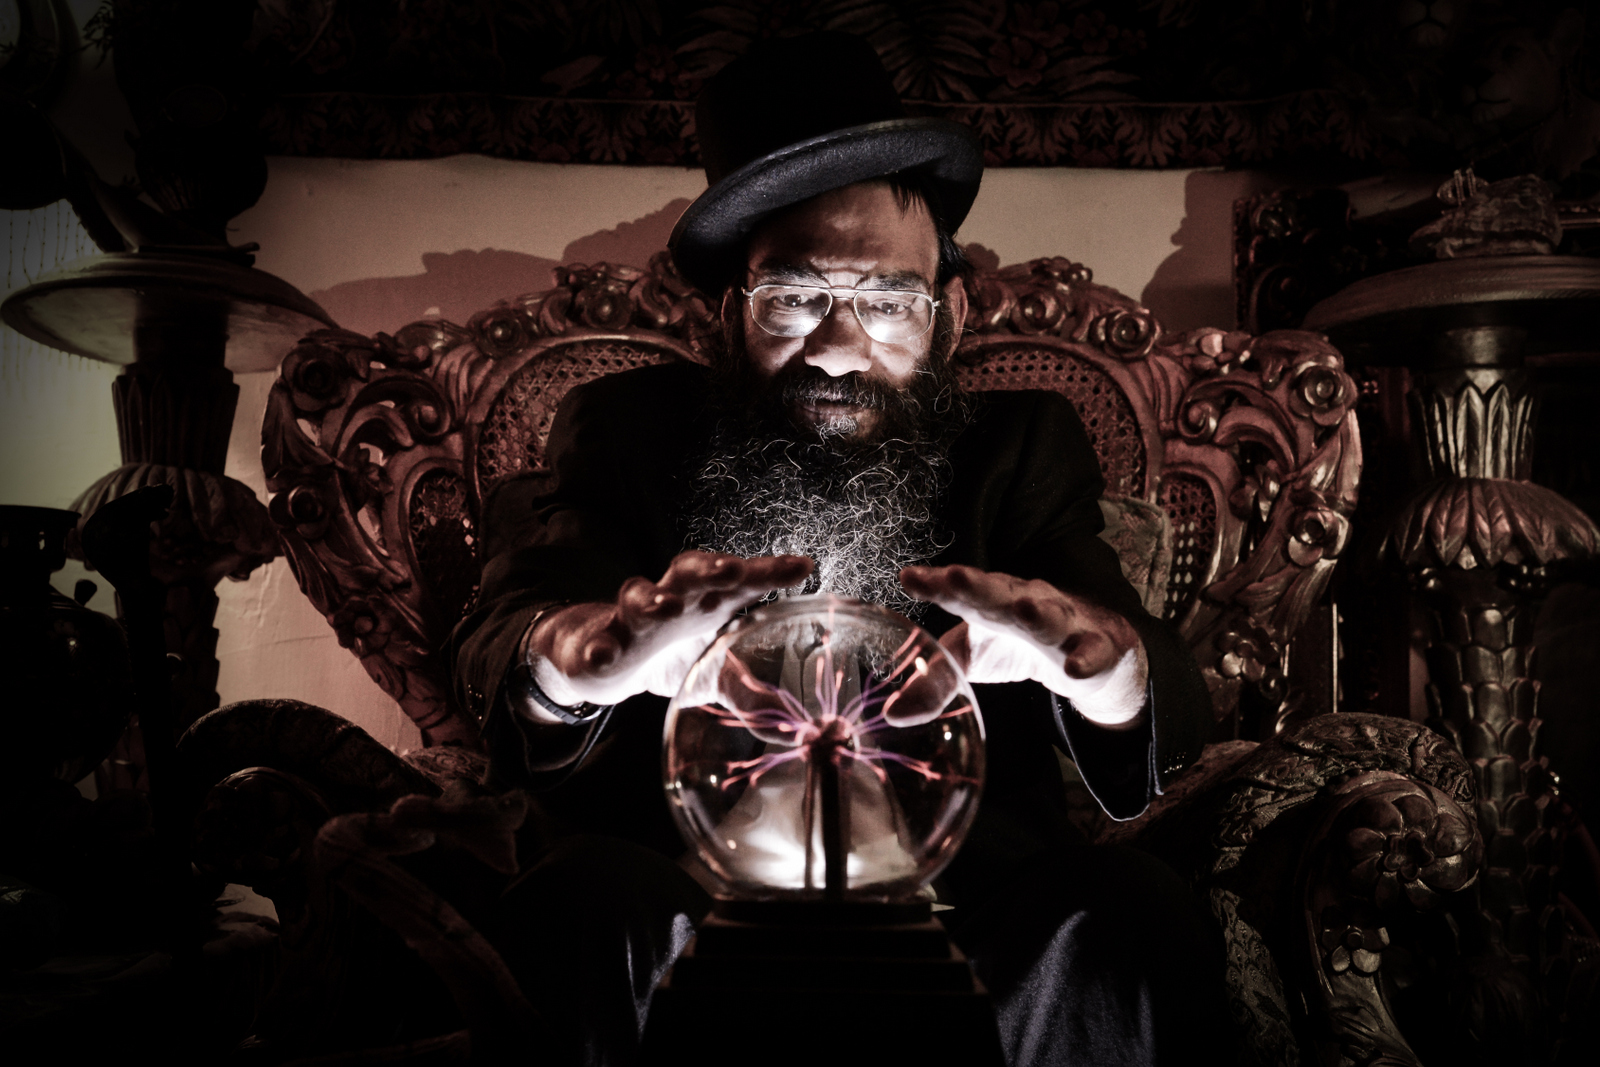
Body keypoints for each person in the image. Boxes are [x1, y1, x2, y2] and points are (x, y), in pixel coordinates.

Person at [451, 31, 1230, 1067]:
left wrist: (1107, 668)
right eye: (793, 298)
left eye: (885, 302)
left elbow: (1151, 688)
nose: (835, 347)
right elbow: (503, 634)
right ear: (730, 312)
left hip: (969, 932)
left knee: (1127, 911)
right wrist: (574, 661)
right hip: (684, 917)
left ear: (948, 313)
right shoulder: (624, 431)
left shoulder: (1020, 447)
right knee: (578, 900)